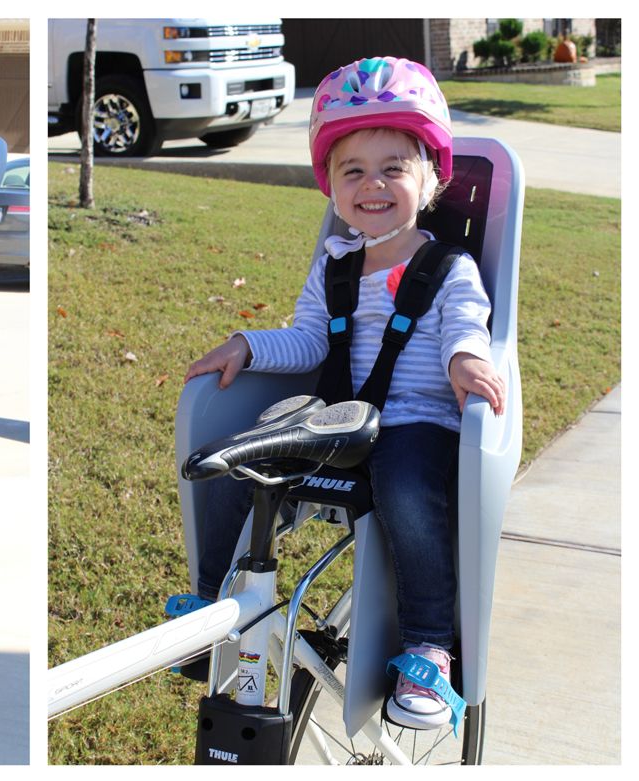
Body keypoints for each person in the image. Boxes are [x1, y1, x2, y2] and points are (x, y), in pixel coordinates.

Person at [183, 57, 506, 730]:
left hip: (416, 423)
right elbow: (307, 342)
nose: (373, 185)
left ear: (432, 178)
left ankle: (428, 645)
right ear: (330, 187)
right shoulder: (335, 266)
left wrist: (465, 361)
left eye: (394, 167)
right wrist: (248, 344)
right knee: (231, 457)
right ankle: (208, 602)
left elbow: (467, 325)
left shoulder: (450, 268)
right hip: (336, 420)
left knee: (408, 493)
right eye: (352, 171)